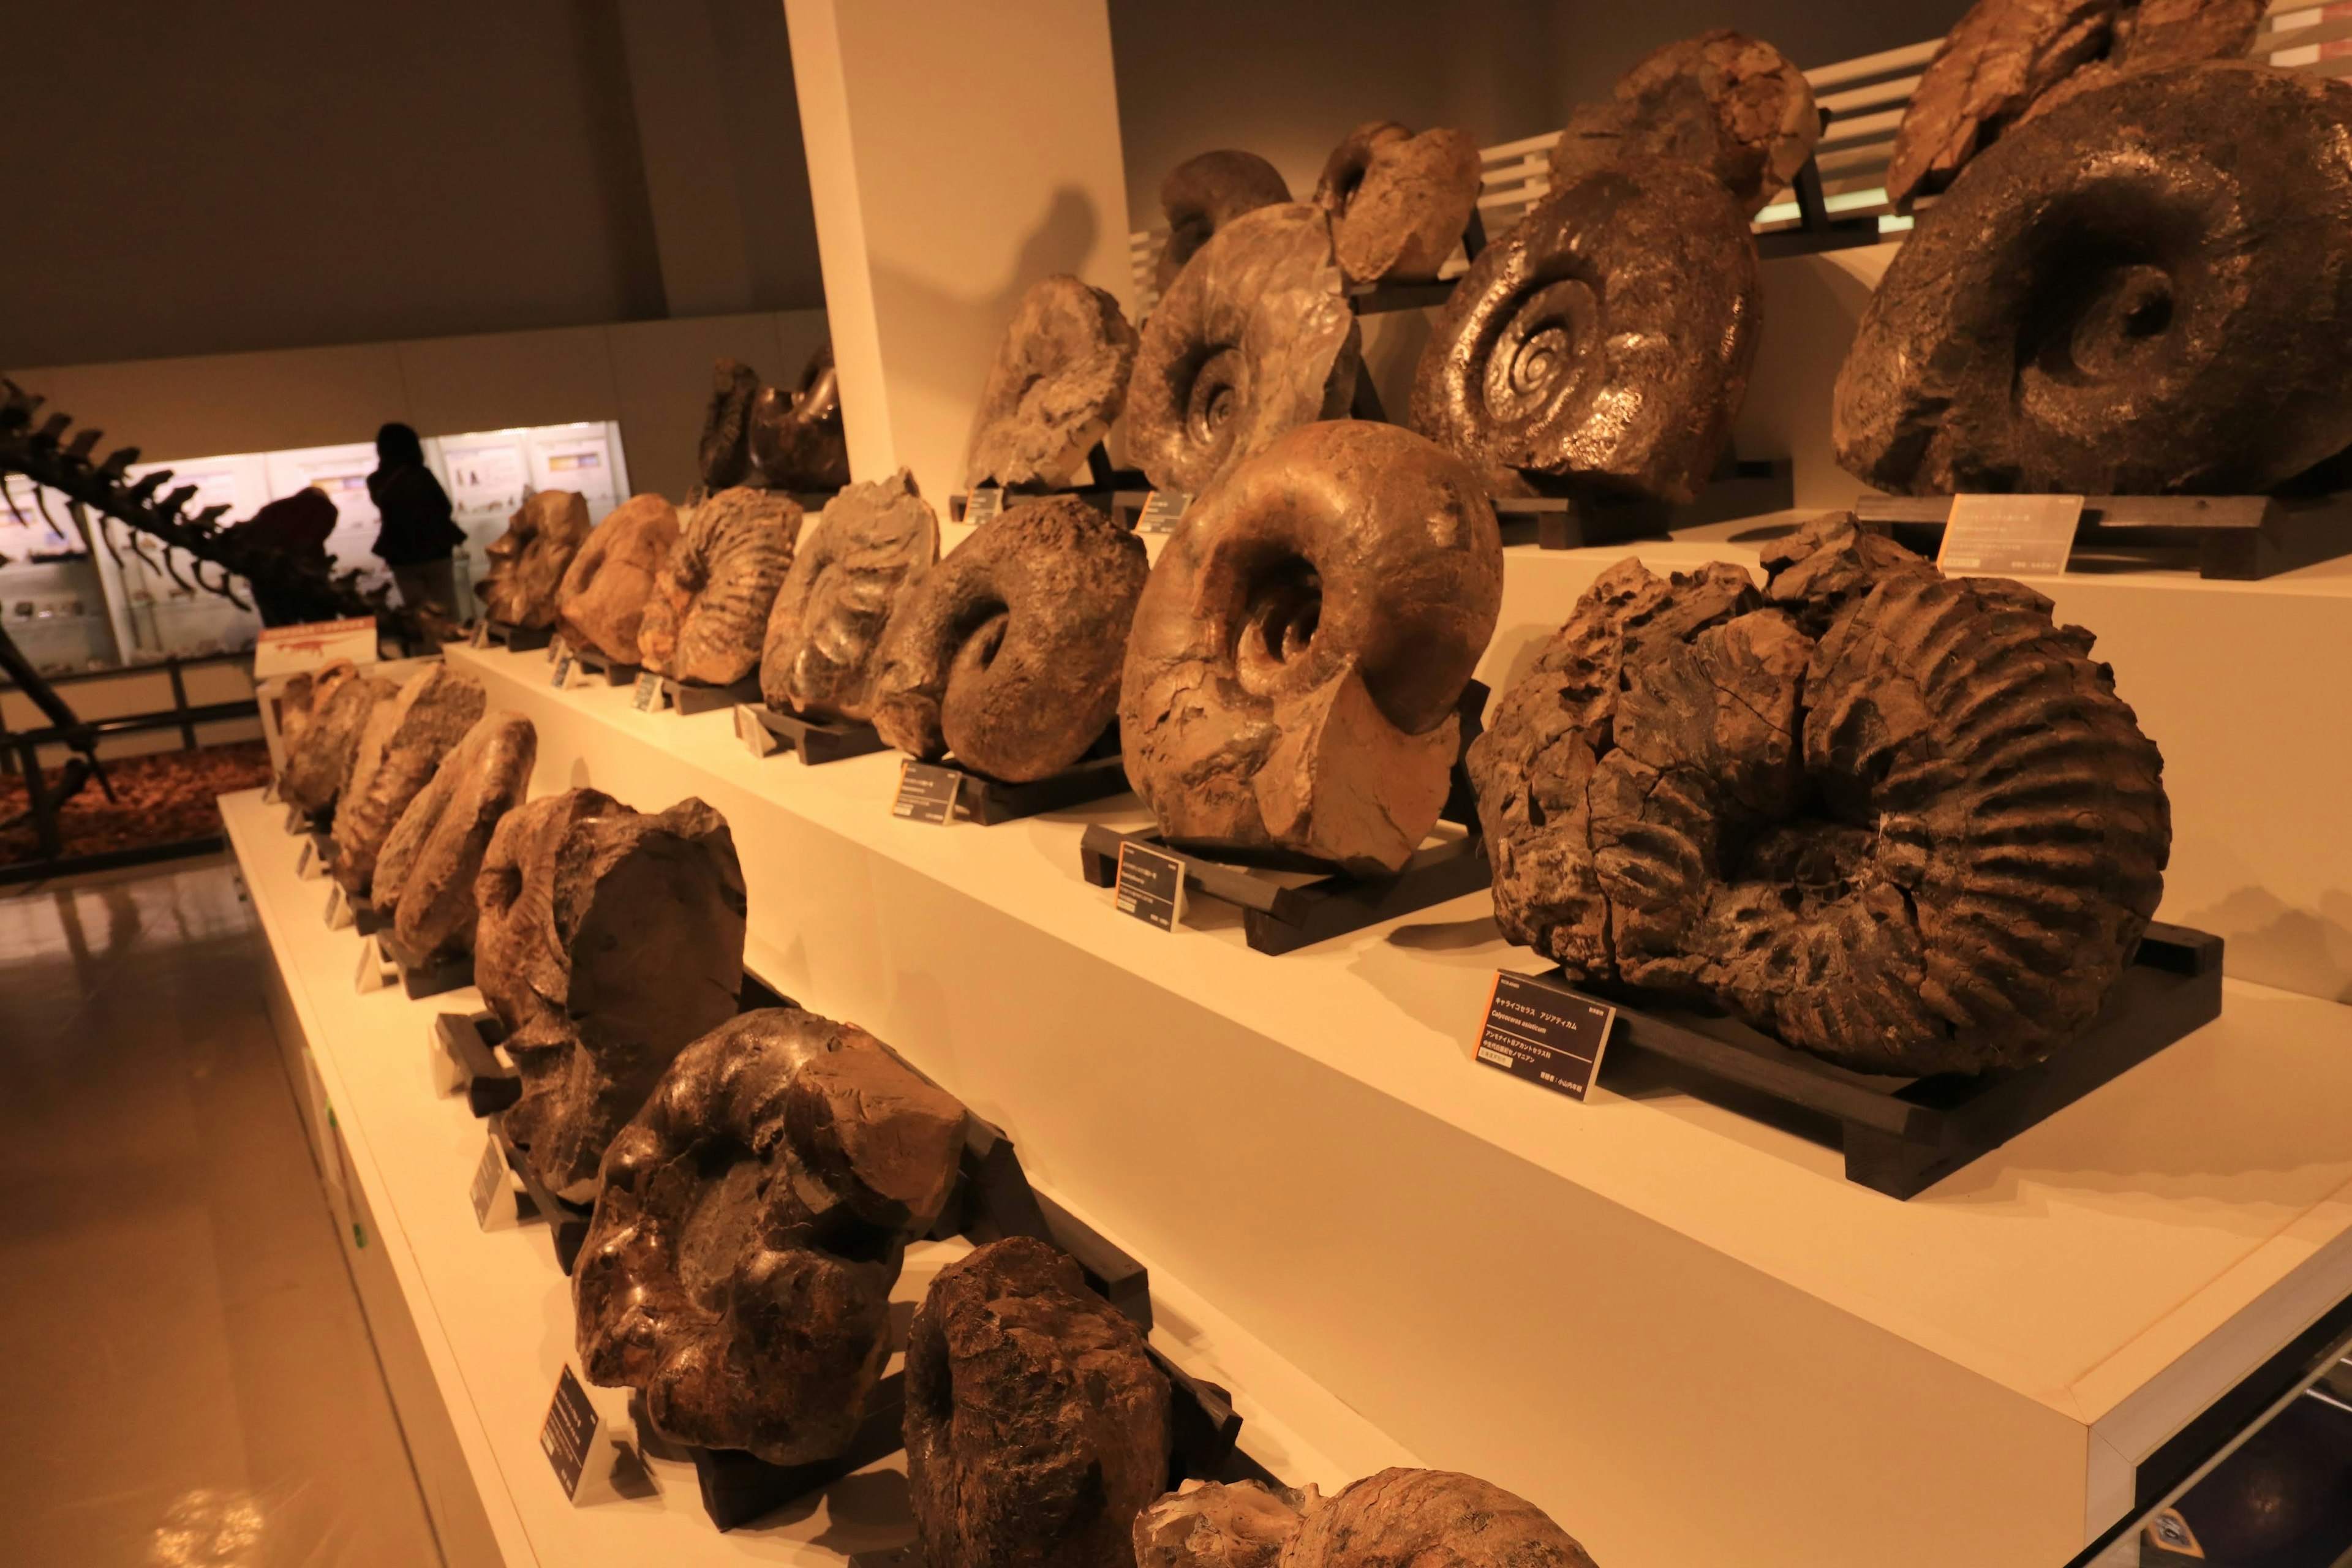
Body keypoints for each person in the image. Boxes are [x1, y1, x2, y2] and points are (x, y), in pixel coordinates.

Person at [365, 422, 464, 618]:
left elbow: (386, 509)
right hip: (437, 549)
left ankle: (427, 646)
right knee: (446, 605)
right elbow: (445, 507)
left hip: (401, 553)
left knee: (418, 610)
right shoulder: (422, 474)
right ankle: (453, 643)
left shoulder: (376, 480)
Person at [223, 486, 337, 626]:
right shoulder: (324, 508)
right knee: (321, 625)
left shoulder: (273, 509)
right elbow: (317, 537)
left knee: (280, 628)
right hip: (303, 577)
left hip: (268, 580)